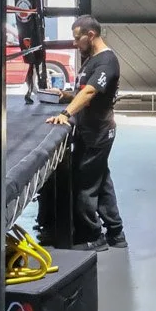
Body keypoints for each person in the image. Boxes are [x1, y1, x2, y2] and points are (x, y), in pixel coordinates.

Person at [45, 15, 125, 250]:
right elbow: (83, 90)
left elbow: (90, 93)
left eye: (77, 38)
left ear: (91, 35)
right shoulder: (92, 60)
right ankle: (116, 233)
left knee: (84, 186)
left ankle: (93, 236)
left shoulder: (107, 61)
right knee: (100, 181)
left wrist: (66, 114)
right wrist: (65, 95)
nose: (74, 43)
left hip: (97, 133)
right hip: (91, 131)